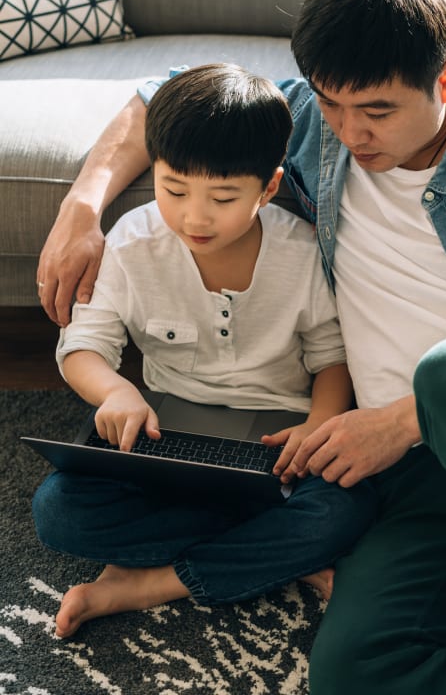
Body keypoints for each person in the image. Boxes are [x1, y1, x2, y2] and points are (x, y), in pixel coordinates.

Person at [37, 0, 446, 692]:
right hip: (417, 473)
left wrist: (398, 423)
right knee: (352, 673)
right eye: (331, 105)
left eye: (375, 111)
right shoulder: (316, 121)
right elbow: (159, 97)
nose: (348, 132)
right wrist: (80, 209)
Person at [31, 63, 376, 640]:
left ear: (267, 188)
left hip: (282, 443)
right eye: (173, 189)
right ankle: (280, 550)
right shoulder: (132, 243)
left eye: (222, 197)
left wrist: (319, 424)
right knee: (59, 512)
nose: (194, 216)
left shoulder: (300, 251)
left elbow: (331, 357)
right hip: (169, 440)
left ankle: (150, 582)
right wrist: (116, 391)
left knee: (348, 506)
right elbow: (83, 347)